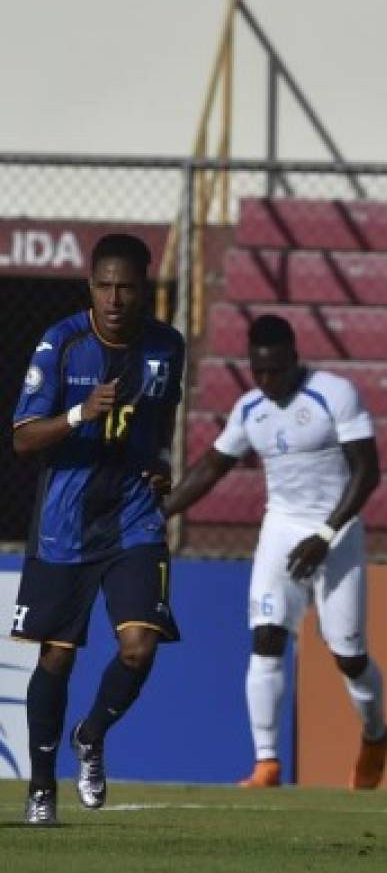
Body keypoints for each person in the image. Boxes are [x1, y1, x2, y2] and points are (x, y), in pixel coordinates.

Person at [162, 314, 387, 790]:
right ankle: (266, 763)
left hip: (337, 530)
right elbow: (212, 467)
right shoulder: (250, 409)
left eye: (275, 370)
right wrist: (160, 512)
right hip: (282, 529)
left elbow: (367, 472)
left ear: (293, 359)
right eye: (258, 371)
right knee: (266, 637)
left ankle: (375, 735)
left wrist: (326, 534)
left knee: (347, 653)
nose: (266, 380)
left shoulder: (334, 394)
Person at [10, 233, 185, 825]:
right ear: (91, 286)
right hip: (66, 525)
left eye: (127, 287)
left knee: (139, 647)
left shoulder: (166, 346)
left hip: (134, 517)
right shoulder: (61, 345)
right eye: (105, 286)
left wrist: (160, 464)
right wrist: (81, 414)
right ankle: (40, 787)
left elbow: (163, 416)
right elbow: (22, 437)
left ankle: (91, 733)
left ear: (144, 287)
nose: (114, 298)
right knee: (56, 659)